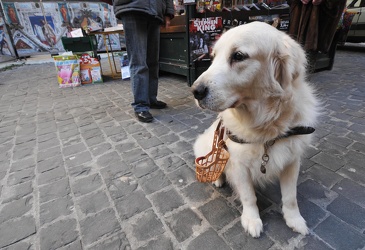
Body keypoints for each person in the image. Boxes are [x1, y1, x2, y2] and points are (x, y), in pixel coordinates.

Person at [102, 0, 175, 123]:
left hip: (155, 11)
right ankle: (140, 105)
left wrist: (168, 12)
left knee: (153, 61)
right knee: (138, 62)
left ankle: (151, 99)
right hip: (133, 7)